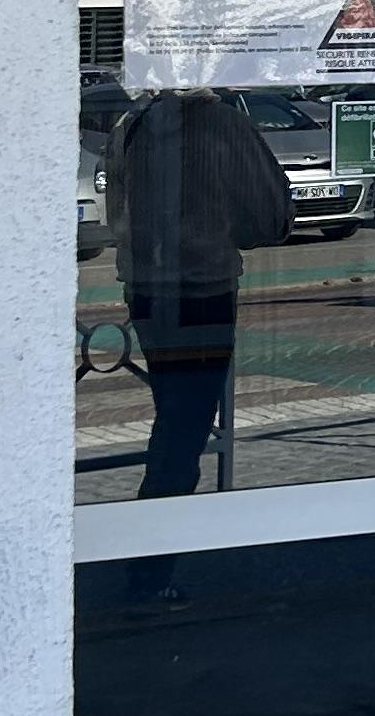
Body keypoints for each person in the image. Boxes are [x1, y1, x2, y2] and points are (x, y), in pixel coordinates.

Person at [103, 86, 298, 498]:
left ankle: (157, 530)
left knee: (175, 412)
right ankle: (156, 538)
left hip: (144, 288)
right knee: (186, 422)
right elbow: (271, 216)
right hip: (203, 287)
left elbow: (118, 212)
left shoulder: (132, 123)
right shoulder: (221, 122)